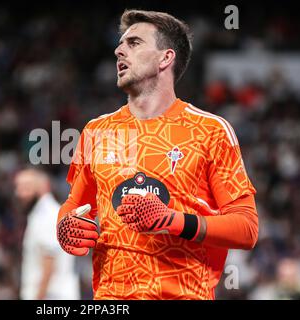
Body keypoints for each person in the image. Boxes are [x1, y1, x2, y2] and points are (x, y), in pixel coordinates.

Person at [56, 9, 258, 300]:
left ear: (166, 58)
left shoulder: (210, 130)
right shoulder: (96, 131)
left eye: (134, 43)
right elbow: (74, 205)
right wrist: (65, 226)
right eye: (120, 43)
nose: (118, 50)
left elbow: (247, 228)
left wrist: (172, 221)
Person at [14, 168, 80, 300]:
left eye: (26, 187)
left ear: (43, 188)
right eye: (18, 187)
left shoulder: (46, 215)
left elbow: (49, 263)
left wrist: (38, 297)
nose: (19, 193)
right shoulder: (44, 213)